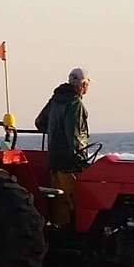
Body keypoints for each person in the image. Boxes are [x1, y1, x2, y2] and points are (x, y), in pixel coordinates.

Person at [34, 68, 90, 226]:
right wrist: (81, 162)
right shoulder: (75, 103)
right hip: (69, 165)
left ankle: (61, 235)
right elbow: (75, 136)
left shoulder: (56, 99)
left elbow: (39, 122)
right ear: (83, 85)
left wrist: (54, 130)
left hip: (54, 161)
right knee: (74, 206)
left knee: (59, 205)